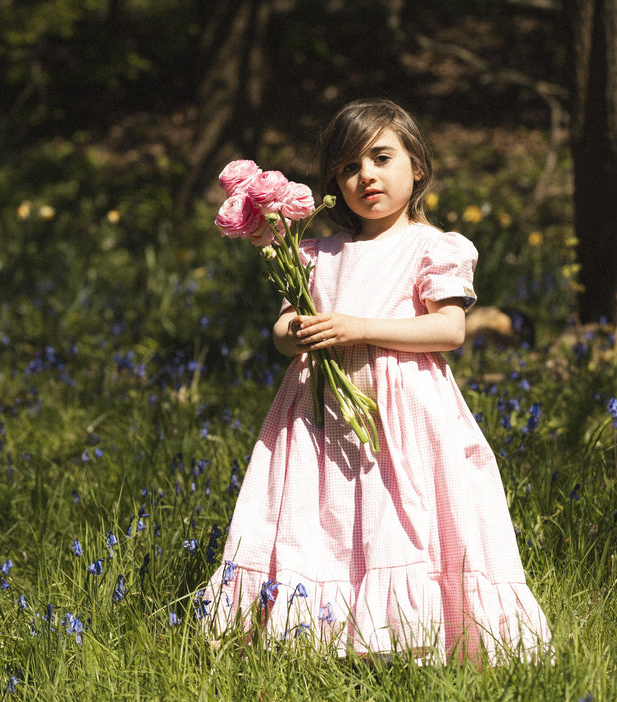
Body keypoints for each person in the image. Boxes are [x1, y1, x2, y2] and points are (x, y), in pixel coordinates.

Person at [203, 98, 551, 663]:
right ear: (334, 184)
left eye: (382, 157)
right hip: (320, 412)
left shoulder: (433, 246)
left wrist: (359, 328)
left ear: (417, 167)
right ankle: (319, 633)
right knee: (322, 516)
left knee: (402, 515)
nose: (366, 175)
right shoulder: (315, 252)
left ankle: (411, 632)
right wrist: (295, 333)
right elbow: (284, 327)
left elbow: (449, 330)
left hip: (404, 411)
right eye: (348, 166)